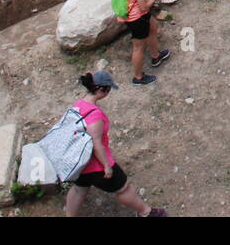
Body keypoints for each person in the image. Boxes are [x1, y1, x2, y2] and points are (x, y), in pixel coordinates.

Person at [64, 71, 167, 217]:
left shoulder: (78, 105)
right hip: (96, 165)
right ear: (101, 89)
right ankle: (146, 213)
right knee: (123, 188)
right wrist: (106, 166)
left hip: (80, 162)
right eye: (108, 89)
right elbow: (96, 144)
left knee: (79, 189)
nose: (109, 92)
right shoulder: (95, 115)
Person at [115, 0, 168, 87]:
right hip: (136, 17)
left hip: (132, 9)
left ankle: (156, 56)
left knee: (153, 27)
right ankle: (138, 77)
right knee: (138, 47)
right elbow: (143, 6)